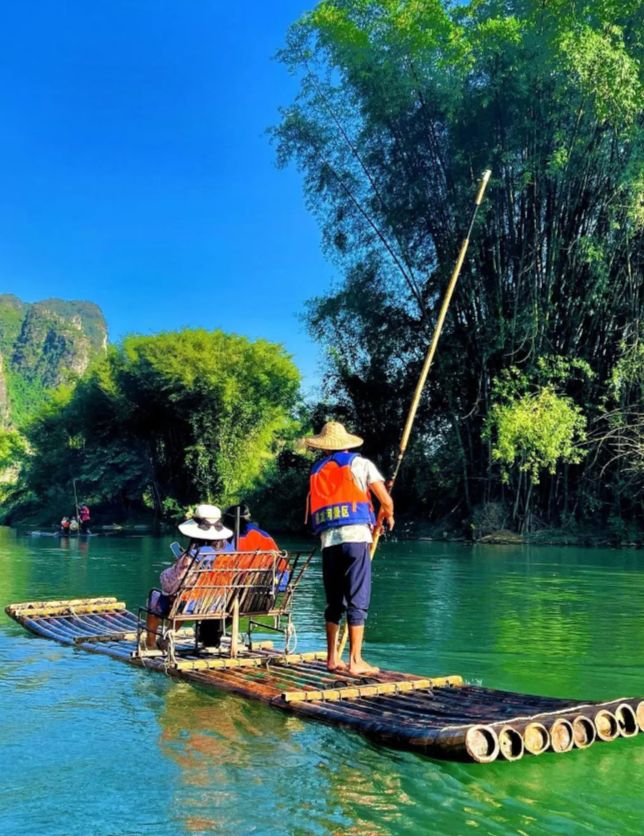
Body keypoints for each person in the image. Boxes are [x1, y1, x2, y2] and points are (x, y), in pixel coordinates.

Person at [302, 421, 394, 676]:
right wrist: (386, 516)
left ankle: (332, 658)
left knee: (334, 601)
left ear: (324, 448)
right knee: (358, 598)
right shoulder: (361, 464)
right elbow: (385, 500)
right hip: (355, 538)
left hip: (329, 542)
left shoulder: (316, 470)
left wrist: (376, 519)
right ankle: (355, 661)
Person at [145, 504, 233, 650]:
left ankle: (151, 643)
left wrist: (172, 568)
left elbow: (170, 585)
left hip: (192, 604)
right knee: (185, 596)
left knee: (157, 597)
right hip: (221, 601)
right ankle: (167, 637)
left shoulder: (192, 556)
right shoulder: (231, 551)